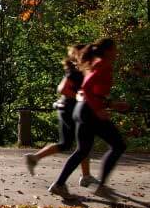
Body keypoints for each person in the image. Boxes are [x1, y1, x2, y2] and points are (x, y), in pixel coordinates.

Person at [48, 38, 129, 199]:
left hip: (83, 109)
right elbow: (86, 89)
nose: (117, 51)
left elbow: (94, 93)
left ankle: (59, 185)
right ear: (108, 50)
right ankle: (101, 186)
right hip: (89, 112)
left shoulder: (97, 63)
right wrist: (98, 109)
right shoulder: (101, 64)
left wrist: (112, 104)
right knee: (118, 145)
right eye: (115, 48)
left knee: (82, 150)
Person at [24, 44, 98, 188]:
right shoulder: (75, 72)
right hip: (70, 110)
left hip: (70, 109)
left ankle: (85, 175)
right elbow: (62, 88)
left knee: (77, 144)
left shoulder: (80, 71)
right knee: (77, 144)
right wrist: (79, 97)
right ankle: (84, 176)